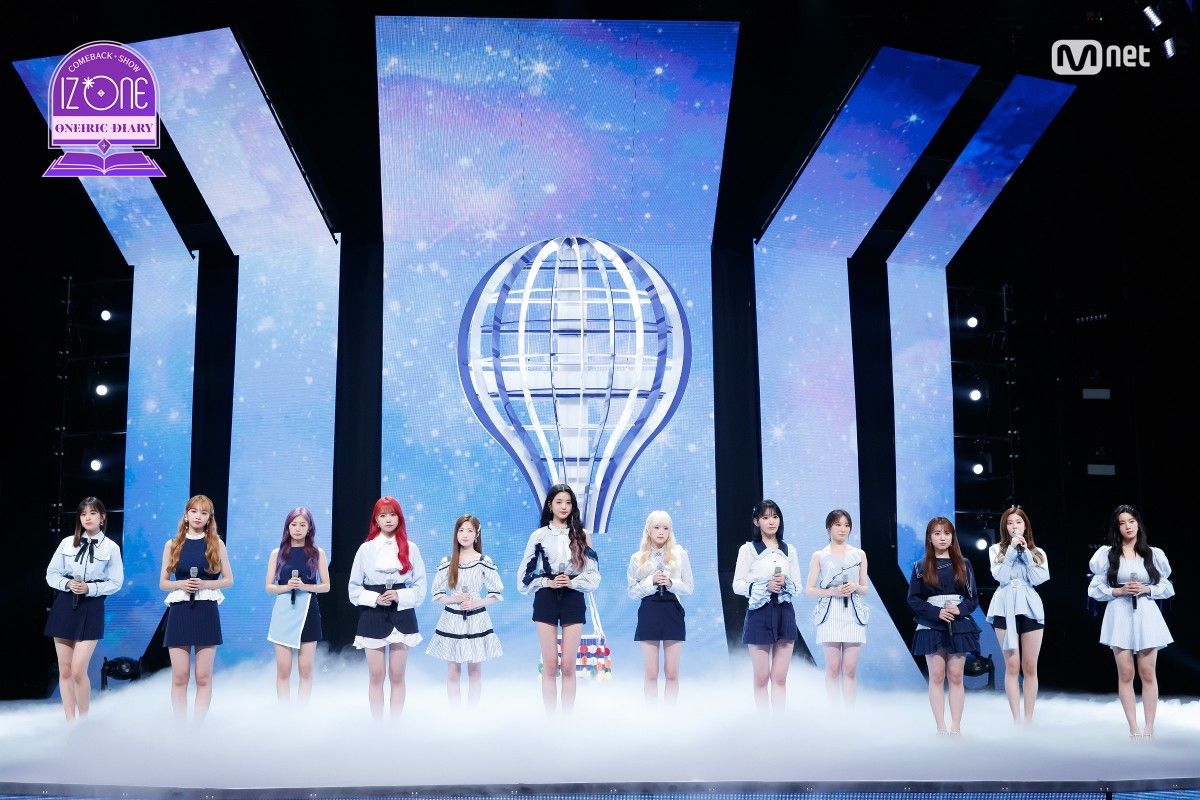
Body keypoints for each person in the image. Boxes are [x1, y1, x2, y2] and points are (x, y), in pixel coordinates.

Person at [1087, 504, 1174, 738]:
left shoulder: (1153, 554)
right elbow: (1094, 588)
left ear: (1138, 524)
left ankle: (1149, 729)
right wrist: (1117, 591)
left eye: (1131, 521)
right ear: (1117, 527)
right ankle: (1134, 729)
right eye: (1122, 523)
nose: (1128, 526)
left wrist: (1148, 589)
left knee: (1148, 672)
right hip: (1119, 614)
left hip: (1146, 613)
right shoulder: (1108, 554)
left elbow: (1167, 586)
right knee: (1126, 673)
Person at [517, 483, 600, 713]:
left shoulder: (582, 536)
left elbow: (594, 576)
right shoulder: (539, 535)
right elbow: (523, 578)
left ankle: (567, 721)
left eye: (568, 502)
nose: (564, 507)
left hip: (573, 596)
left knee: (569, 666)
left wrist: (572, 582)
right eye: (559, 502)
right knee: (550, 665)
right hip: (546, 597)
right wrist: (547, 582)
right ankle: (551, 722)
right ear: (550, 505)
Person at [44, 497, 124, 721]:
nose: (87, 518)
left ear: (102, 517)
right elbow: (51, 574)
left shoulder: (111, 547)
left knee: (78, 670)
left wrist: (90, 588)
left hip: (92, 606)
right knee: (65, 669)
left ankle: (84, 723)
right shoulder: (67, 543)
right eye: (83, 514)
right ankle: (71, 723)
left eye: (92, 513)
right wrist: (68, 583)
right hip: (65, 604)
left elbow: (116, 582)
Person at [348, 496, 426, 720]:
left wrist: (400, 595)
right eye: (383, 515)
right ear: (376, 520)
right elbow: (353, 589)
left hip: (402, 615)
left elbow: (420, 587)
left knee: (397, 675)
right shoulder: (366, 549)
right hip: (373, 615)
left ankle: (395, 727)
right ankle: (377, 727)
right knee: (376, 675)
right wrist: (374, 598)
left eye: (392, 514)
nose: (388, 519)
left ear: (399, 518)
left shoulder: (411, 548)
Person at [159, 494, 233, 720]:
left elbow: (229, 580)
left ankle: (197, 729)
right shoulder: (173, 544)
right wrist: (180, 584)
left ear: (210, 518)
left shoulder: (216, 544)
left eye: (203, 512)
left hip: (206, 611)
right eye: (194, 511)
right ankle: (180, 728)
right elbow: (163, 583)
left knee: (203, 677)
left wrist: (205, 584)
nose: (198, 516)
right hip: (180, 611)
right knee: (180, 676)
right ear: (186, 515)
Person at [906, 516, 980, 736]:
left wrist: (959, 609)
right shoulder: (920, 566)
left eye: (946, 533)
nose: (942, 538)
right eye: (937, 533)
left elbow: (973, 598)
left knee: (956, 675)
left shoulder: (964, 564)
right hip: (931, 623)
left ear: (952, 537)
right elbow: (913, 599)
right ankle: (940, 726)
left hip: (958, 623)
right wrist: (936, 612)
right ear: (929, 537)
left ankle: (956, 727)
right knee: (937, 676)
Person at [732, 499, 802, 714]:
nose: (771, 522)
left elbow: (798, 586)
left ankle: (778, 725)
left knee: (779, 678)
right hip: (759, 614)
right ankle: (764, 726)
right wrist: (764, 586)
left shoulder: (789, 550)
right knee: (761, 678)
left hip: (784, 614)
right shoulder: (748, 550)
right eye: (765, 517)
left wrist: (785, 583)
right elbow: (737, 585)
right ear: (756, 521)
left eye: (775, 517)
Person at [426, 514, 504, 706]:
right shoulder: (448, 561)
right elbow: (437, 594)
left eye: (470, 530)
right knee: (453, 672)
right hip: (452, 620)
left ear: (477, 534)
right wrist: (455, 599)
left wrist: (476, 603)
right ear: (456, 534)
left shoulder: (483, 560)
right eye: (461, 530)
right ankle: (455, 715)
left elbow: (496, 593)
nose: (465, 534)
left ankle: (472, 715)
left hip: (476, 620)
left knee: (475, 672)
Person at [985, 506, 1049, 723]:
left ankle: (1028, 720)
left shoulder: (1038, 552)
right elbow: (1001, 577)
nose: (1014, 526)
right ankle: (1016, 720)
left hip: (1030, 606)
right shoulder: (996, 550)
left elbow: (1038, 579)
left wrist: (1027, 555)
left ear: (1025, 525)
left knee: (1030, 666)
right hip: (1004, 607)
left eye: (1018, 522)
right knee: (1012, 665)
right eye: (1010, 522)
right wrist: (1012, 552)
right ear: (1005, 527)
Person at [626, 510, 694, 703]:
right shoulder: (637, 558)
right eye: (656, 527)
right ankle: (652, 715)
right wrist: (651, 582)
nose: (661, 532)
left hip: (672, 611)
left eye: (665, 528)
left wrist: (671, 583)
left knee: (672, 673)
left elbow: (689, 587)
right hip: (649, 611)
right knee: (651, 673)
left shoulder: (680, 554)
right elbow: (632, 592)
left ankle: (670, 714)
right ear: (648, 530)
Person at [265, 506, 331, 703]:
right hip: (283, 612)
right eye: (293, 524)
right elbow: (269, 586)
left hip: (308, 611)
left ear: (309, 528)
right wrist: (286, 587)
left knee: (306, 669)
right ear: (287, 527)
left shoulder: (317, 553)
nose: (298, 529)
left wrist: (305, 586)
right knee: (283, 670)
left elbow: (326, 586)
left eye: (303, 525)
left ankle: (301, 714)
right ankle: (285, 714)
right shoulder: (277, 553)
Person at [805, 509, 868, 704]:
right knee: (832, 669)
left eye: (846, 525)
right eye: (838, 524)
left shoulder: (859, 554)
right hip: (830, 614)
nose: (843, 529)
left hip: (853, 615)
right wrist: (833, 591)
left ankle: (849, 714)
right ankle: (834, 714)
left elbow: (864, 589)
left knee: (850, 670)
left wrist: (855, 587)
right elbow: (809, 590)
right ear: (828, 527)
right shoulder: (820, 555)